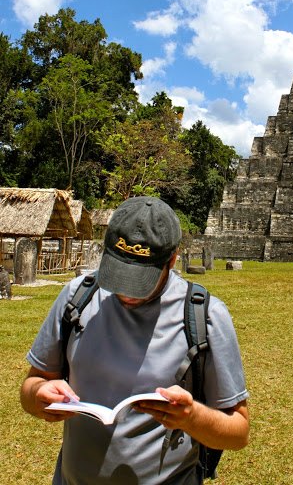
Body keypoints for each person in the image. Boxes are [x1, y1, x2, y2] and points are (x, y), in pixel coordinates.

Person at [20, 196, 249, 484]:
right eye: (118, 275)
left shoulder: (205, 315)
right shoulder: (78, 296)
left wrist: (192, 418)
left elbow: (238, 432)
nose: (126, 291)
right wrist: (37, 396)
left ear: (172, 260)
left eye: (141, 279)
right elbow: (31, 385)